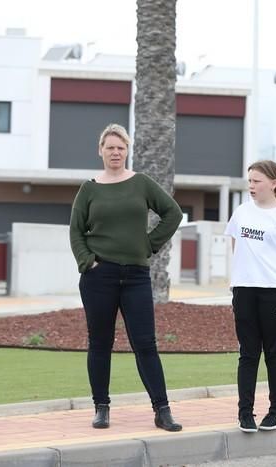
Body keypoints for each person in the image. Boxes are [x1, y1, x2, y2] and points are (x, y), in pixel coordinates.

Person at [69, 123, 183, 431]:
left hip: (136, 276)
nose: (115, 152)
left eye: (121, 147)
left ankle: (162, 410)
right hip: (99, 276)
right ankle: (101, 408)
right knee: (100, 342)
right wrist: (87, 262)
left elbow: (173, 213)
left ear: (127, 150)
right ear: (101, 151)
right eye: (110, 147)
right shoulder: (89, 188)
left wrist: (149, 243)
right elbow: (76, 231)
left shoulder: (141, 183)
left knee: (145, 343)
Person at [224, 160, 276, 433]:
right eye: (250, 181)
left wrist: (271, 273)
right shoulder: (242, 212)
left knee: (273, 351)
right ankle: (245, 413)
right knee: (247, 352)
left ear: (273, 183)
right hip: (244, 288)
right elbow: (235, 246)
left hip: (273, 290)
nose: (251, 186)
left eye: (257, 181)